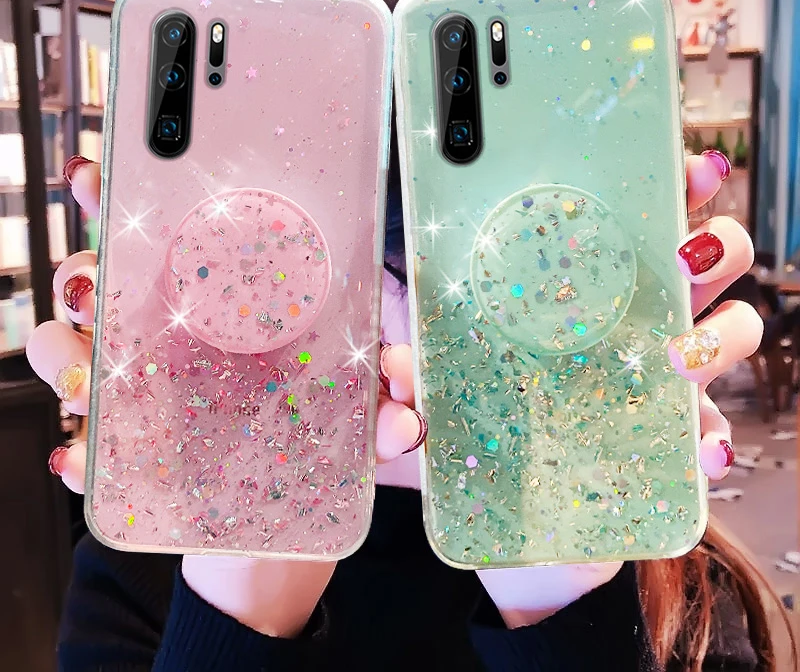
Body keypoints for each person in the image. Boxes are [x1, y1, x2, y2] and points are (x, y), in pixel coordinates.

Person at [26, 150, 794, 672]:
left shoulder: (671, 576)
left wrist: (562, 581)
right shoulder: (148, 560)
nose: (401, 324)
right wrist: (241, 583)